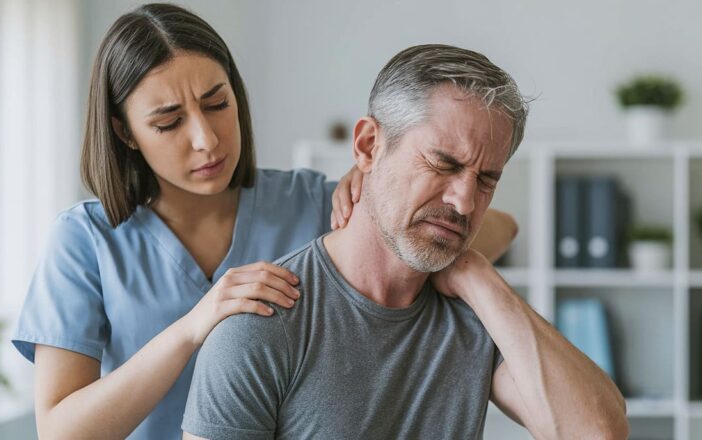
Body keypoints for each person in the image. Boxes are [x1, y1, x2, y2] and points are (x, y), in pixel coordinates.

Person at [11, 5, 518, 440]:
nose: (207, 139)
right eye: (169, 122)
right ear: (124, 132)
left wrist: (381, 182)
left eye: (217, 104)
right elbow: (61, 430)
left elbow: (496, 228)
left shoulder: (310, 202)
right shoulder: (84, 239)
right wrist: (191, 329)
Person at [182, 44, 629, 440]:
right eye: (443, 164)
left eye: (486, 180)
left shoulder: (475, 315)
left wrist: (477, 275)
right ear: (368, 146)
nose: (465, 201)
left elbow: (597, 433)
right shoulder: (263, 323)